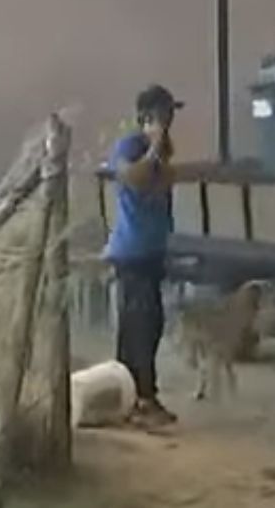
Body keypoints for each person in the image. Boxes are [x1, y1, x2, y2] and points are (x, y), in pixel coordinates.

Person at [101, 84, 182, 428]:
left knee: (149, 326)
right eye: (164, 115)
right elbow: (132, 178)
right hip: (131, 252)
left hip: (151, 251)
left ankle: (131, 397)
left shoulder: (161, 151)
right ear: (148, 118)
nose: (170, 122)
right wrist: (152, 147)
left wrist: (161, 152)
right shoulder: (130, 146)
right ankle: (141, 399)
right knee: (139, 327)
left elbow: (162, 184)